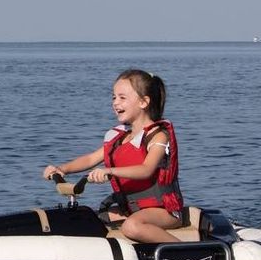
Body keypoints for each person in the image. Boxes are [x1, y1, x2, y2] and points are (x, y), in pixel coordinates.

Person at [42, 70, 184, 243]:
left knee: (131, 226)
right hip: (131, 209)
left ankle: (185, 251)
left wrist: (109, 171)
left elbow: (146, 170)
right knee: (87, 219)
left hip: (165, 211)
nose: (115, 103)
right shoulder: (118, 139)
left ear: (143, 102)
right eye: (114, 97)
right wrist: (61, 169)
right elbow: (90, 159)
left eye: (122, 98)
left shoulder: (158, 136)